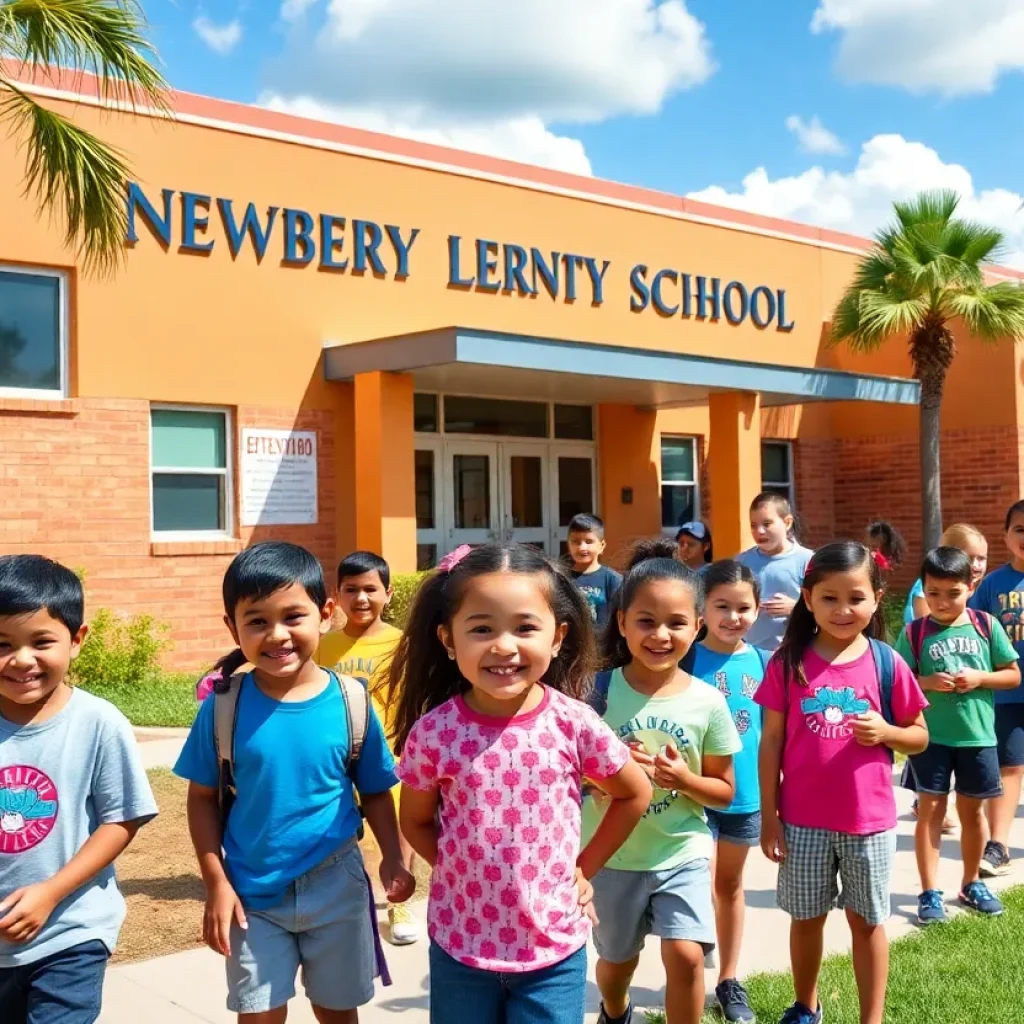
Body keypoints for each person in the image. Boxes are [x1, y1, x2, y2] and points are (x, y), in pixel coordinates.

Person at [389, 544, 650, 1024]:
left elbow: (634, 792)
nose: (504, 646)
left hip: (552, 951)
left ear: (558, 637)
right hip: (460, 945)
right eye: (482, 628)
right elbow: (417, 821)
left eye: (525, 627)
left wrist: (584, 869)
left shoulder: (575, 723)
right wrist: (464, 874)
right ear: (449, 640)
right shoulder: (434, 733)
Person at [174, 541, 415, 1023]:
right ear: (232, 627)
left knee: (337, 1011)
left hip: (337, 884)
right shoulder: (223, 708)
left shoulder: (351, 702)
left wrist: (392, 854)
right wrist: (215, 880)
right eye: (257, 620)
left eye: (292, 616)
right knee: (259, 1014)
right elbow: (202, 799)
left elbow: (374, 790)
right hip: (251, 893)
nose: (277, 634)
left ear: (325, 614)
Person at [757, 541, 928, 1024]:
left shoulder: (887, 662)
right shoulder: (787, 661)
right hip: (802, 821)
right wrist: (769, 817)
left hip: (868, 823)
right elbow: (769, 744)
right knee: (806, 920)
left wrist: (888, 732)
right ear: (807, 598)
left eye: (855, 597)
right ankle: (806, 1005)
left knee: (867, 923)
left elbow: (918, 737)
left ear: (876, 598)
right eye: (829, 597)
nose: (843, 609)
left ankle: (871, 1017)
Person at [0, 555, 157, 1024]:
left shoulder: (98, 723)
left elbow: (121, 818)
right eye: (3, 643)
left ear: (76, 640)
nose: (21, 659)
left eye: (41, 641)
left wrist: (50, 892)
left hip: (70, 929)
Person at [586, 550, 741, 1024]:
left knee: (687, 956)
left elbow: (724, 791)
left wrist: (684, 780)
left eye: (676, 623)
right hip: (611, 855)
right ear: (622, 622)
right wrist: (602, 779)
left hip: (682, 852)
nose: (660, 635)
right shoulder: (594, 693)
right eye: (646, 621)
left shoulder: (708, 702)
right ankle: (616, 1011)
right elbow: (570, 773)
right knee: (616, 963)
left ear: (697, 626)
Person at [895, 547, 1019, 924]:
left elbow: (1012, 674)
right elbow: (898, 684)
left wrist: (981, 678)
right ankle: (929, 890)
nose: (942, 601)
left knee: (972, 812)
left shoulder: (986, 625)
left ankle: (970, 883)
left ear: (971, 586)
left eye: (952, 592)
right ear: (924, 590)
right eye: (933, 593)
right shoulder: (915, 632)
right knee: (930, 812)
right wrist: (927, 683)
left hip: (977, 737)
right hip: (930, 738)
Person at [316, 550, 418, 946]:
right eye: (351, 590)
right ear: (336, 596)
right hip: (337, 761)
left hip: (390, 756)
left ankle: (399, 901)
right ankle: (345, 904)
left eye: (370, 589)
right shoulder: (324, 646)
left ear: (388, 593)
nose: (361, 598)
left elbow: (413, 700)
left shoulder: (402, 645)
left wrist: (407, 748)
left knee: (398, 831)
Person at [686, 560, 767, 1023]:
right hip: (693, 796)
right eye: (722, 606)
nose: (733, 617)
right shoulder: (687, 657)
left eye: (743, 607)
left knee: (730, 886)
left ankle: (729, 979)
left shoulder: (763, 662)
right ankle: (691, 969)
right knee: (700, 884)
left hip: (746, 797)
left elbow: (772, 735)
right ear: (703, 607)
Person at [971, 500, 1024, 878]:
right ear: (1005, 536)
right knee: (1010, 766)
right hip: (1007, 693)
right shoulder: (993, 585)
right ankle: (999, 845)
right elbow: (972, 632)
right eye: (1019, 529)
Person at [736, 493, 813, 652]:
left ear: (787, 522)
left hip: (795, 650)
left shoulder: (807, 560)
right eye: (753, 525)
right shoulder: (742, 562)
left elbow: (822, 605)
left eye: (767, 524)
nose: (759, 531)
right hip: (751, 651)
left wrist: (796, 608)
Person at [903, 523, 988, 626]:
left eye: (981, 558)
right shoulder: (928, 585)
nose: (975, 565)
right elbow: (927, 628)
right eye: (969, 558)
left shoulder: (979, 587)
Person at [567, 513, 622, 629]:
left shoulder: (612, 580)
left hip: (602, 645)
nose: (582, 548)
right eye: (576, 542)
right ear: (569, 545)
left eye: (588, 541)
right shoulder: (562, 578)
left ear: (601, 546)